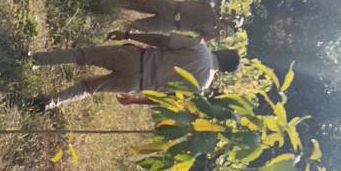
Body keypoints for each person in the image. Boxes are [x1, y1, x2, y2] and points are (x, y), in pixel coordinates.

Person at [28, 32, 240, 111]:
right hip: (136, 84)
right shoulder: (201, 86)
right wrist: (136, 100)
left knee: (82, 56)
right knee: (88, 88)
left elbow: (161, 40)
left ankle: (37, 60)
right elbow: (166, 100)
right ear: (224, 71)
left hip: (136, 59)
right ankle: (50, 102)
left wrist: (130, 34)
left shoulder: (200, 47)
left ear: (224, 52)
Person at [119, 0, 239, 39]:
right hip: (172, 7)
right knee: (138, 3)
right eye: (231, 19)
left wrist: (213, 35)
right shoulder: (213, 6)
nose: (229, 22)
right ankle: (113, 3)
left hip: (172, 24)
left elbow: (199, 40)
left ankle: (116, 26)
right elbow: (207, 2)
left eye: (231, 25)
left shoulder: (212, 31)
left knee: (137, 27)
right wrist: (218, 23)